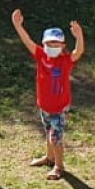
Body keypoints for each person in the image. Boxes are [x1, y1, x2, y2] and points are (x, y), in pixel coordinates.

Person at [12, 9, 84, 180]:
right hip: (44, 105)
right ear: (44, 44)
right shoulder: (41, 56)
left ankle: (59, 166)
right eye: (49, 44)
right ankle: (49, 157)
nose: (52, 47)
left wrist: (79, 36)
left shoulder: (65, 61)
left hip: (59, 107)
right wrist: (18, 26)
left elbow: (78, 52)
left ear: (63, 46)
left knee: (55, 137)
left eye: (56, 44)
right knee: (48, 131)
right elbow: (27, 41)